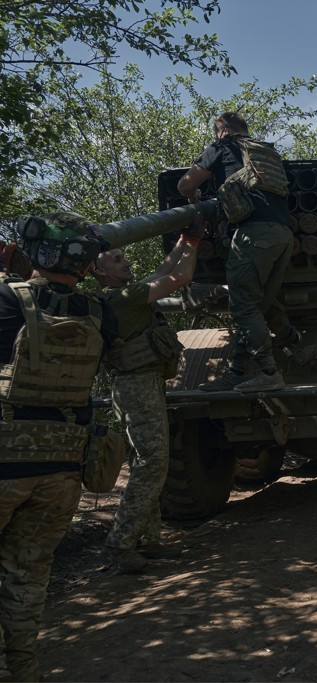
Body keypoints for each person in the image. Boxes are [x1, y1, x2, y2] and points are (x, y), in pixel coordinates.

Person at [0, 212, 117, 681]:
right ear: (85, 263)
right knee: (29, 572)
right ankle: (23, 668)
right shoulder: (96, 312)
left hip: (5, 456)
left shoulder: (6, 299)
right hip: (65, 464)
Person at [90, 228, 202, 573]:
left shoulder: (119, 295)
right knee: (153, 463)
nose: (127, 262)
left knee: (145, 462)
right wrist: (195, 245)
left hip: (135, 385)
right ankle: (120, 543)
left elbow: (160, 273)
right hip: (138, 385)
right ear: (99, 271)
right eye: (117, 259)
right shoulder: (124, 297)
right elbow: (181, 276)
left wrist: (184, 241)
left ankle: (148, 540)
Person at [177, 111, 292, 393]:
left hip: (253, 235)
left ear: (224, 130)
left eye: (216, 133)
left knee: (242, 306)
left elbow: (185, 184)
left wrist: (194, 201)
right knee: (257, 305)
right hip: (283, 234)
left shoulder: (223, 146)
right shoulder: (266, 151)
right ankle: (238, 371)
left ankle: (268, 372)